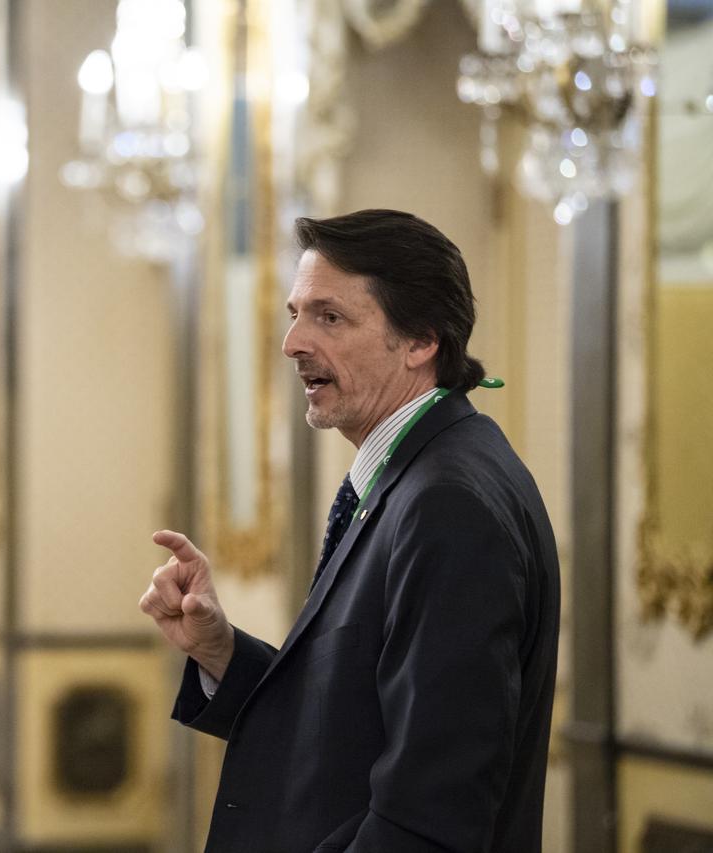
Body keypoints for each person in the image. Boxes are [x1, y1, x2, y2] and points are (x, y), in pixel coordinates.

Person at [140, 209, 560, 852]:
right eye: (294, 314)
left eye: (329, 317)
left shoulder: (448, 504)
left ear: (421, 340)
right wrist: (219, 649)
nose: (293, 343)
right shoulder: (421, 475)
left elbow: (431, 809)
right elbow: (348, 723)